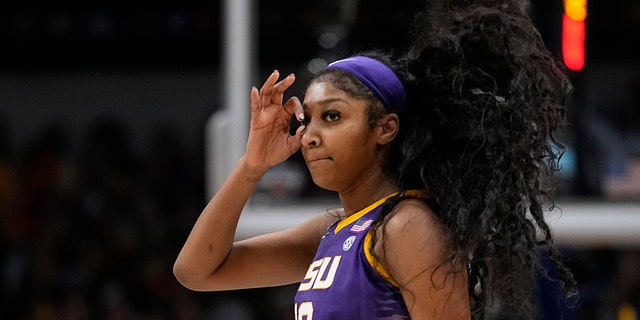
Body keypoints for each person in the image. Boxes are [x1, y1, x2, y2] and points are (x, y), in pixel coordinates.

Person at [173, 0, 577, 318]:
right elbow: (196, 271)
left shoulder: (407, 226)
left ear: (384, 128)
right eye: (307, 119)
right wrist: (252, 165)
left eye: (332, 116)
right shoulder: (331, 231)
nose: (310, 136)